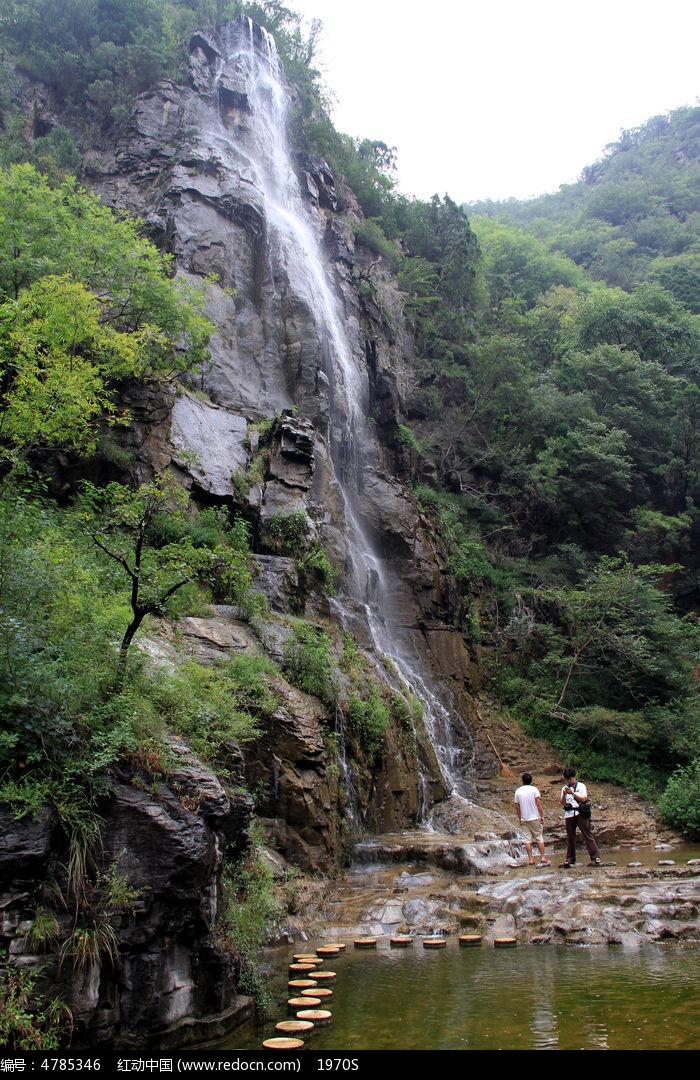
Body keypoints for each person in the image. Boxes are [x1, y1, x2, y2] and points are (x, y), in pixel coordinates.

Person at [560, 767, 601, 866]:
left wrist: (573, 793)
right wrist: (564, 794)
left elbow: (583, 798)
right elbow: (562, 803)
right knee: (570, 837)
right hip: (569, 814)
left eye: (570, 778)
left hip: (580, 813)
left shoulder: (581, 786)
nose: (569, 781)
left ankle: (595, 857)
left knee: (587, 834)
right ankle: (570, 858)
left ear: (574, 777)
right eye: (567, 779)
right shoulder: (564, 788)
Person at [514, 772, 550, 866]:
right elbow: (538, 803)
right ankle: (542, 857)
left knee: (527, 839)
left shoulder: (518, 791)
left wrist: (519, 818)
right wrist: (542, 815)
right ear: (531, 781)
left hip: (524, 818)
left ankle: (530, 859)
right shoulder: (534, 790)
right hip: (535, 817)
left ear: (522, 781)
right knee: (539, 837)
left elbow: (517, 806)